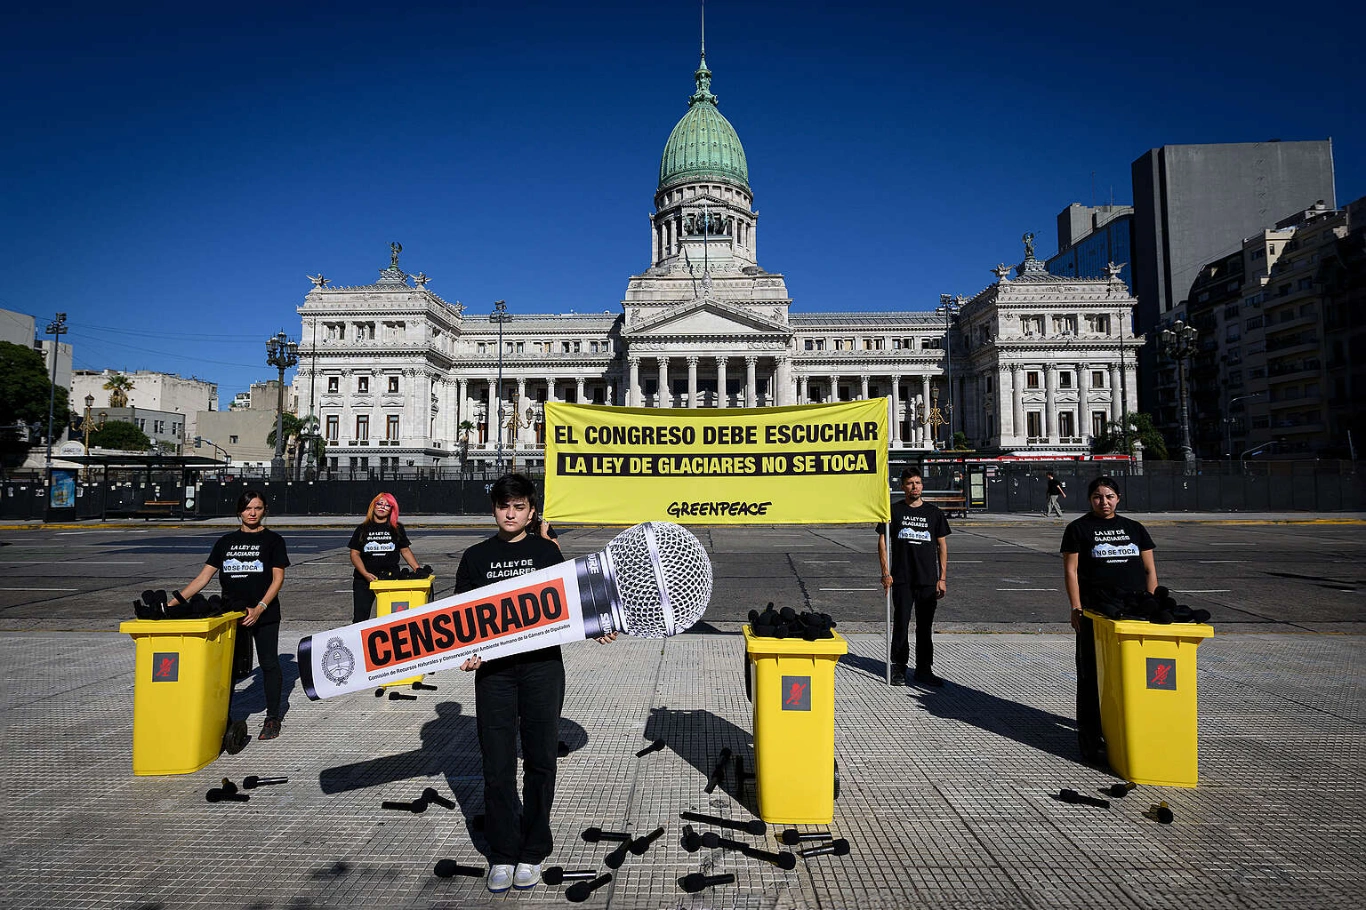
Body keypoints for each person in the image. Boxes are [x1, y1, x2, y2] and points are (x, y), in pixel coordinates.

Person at [456, 474, 615, 893]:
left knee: (541, 757)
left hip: (542, 667)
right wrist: (464, 652)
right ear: (494, 509)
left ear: (531, 511)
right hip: (495, 673)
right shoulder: (474, 557)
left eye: (519, 506)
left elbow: (571, 600)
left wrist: (596, 626)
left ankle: (533, 847)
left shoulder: (546, 552)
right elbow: (457, 621)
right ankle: (503, 853)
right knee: (497, 760)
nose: (511, 514)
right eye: (504, 506)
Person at [171, 490, 290, 742]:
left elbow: (277, 578)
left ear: (264, 510)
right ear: (239, 511)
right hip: (230, 615)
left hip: (264, 612)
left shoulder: (274, 541)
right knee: (228, 670)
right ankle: (222, 717)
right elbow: (203, 578)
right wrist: (173, 603)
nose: (252, 513)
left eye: (257, 508)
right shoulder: (225, 542)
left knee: (269, 664)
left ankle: (272, 717)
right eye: (248, 508)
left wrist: (260, 608)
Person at [1060, 475, 1157, 763]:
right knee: (1090, 675)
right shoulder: (1078, 529)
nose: (1104, 502)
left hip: (1134, 614)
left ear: (1118, 498)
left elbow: (1150, 569)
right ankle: (1090, 740)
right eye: (1098, 497)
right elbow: (1071, 572)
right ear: (1090, 500)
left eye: (1109, 496)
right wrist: (1076, 607)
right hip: (1095, 613)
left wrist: (1151, 603)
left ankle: (1128, 732)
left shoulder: (1135, 529)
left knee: (1130, 676)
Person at [876, 467, 951, 687]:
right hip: (902, 579)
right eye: (910, 483)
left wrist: (942, 577)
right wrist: (885, 572)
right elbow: (882, 542)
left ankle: (924, 670)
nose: (914, 487)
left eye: (918, 483)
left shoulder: (934, 513)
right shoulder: (893, 511)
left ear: (922, 485)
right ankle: (898, 669)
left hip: (927, 579)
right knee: (900, 624)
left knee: (925, 627)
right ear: (903, 486)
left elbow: (942, 546)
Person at [347, 492, 421, 624]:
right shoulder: (362, 529)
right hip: (364, 581)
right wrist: (365, 574)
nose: (382, 507)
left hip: (391, 579)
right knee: (360, 618)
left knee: (393, 619)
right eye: (379, 503)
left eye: (387, 505)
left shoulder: (397, 528)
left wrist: (418, 569)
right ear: (373, 506)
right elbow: (354, 554)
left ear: (392, 509)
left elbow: (405, 550)